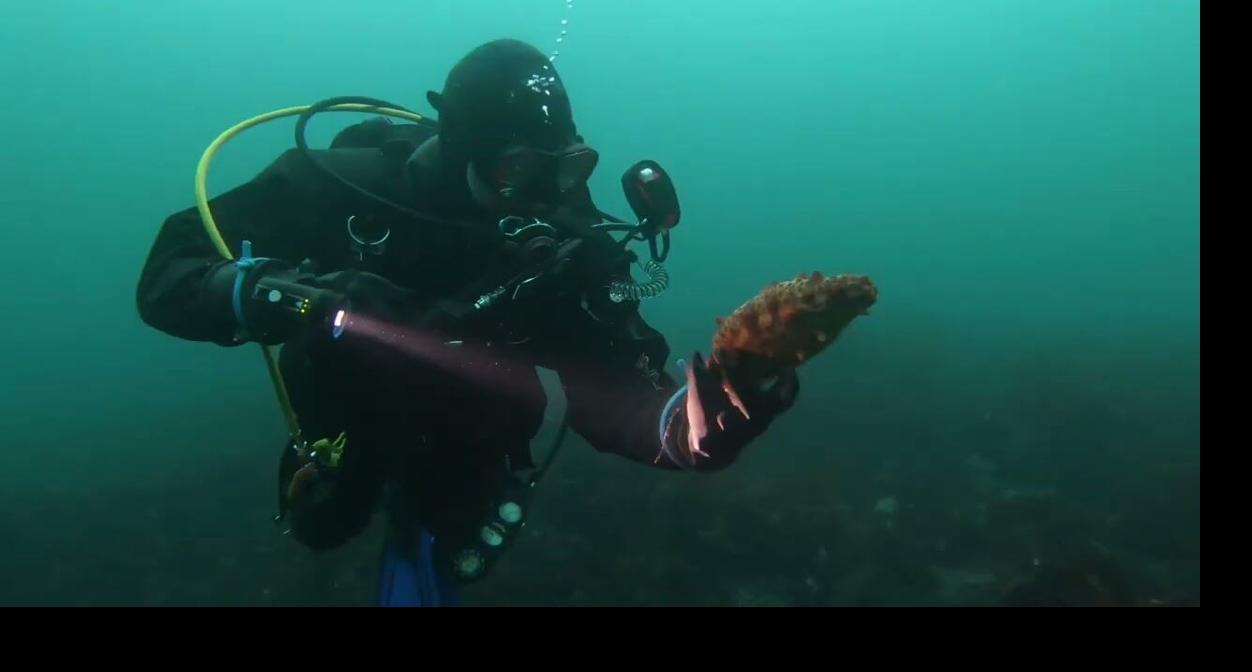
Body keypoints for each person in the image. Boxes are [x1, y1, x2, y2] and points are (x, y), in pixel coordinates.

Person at [136, 39, 799, 606]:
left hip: (479, 431)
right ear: (463, 152)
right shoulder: (346, 189)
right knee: (325, 523)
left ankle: (447, 523)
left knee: (449, 540)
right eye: (519, 170)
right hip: (349, 410)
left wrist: (696, 429)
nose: (547, 195)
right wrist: (275, 293)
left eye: (567, 168)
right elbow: (170, 273)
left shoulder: (570, 249)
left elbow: (626, 396)